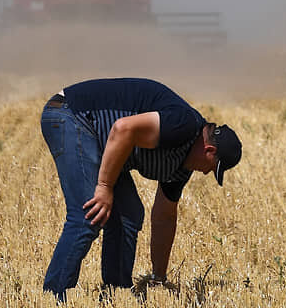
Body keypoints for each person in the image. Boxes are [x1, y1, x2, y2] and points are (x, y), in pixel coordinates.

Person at [39, 78, 242, 302]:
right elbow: (123, 128)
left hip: (104, 142)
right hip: (71, 114)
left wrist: (159, 277)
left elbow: (164, 217)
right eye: (212, 168)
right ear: (209, 150)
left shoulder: (180, 167)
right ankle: (52, 297)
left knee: (129, 215)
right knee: (89, 213)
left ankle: (116, 295)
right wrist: (105, 187)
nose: (205, 173)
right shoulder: (183, 125)